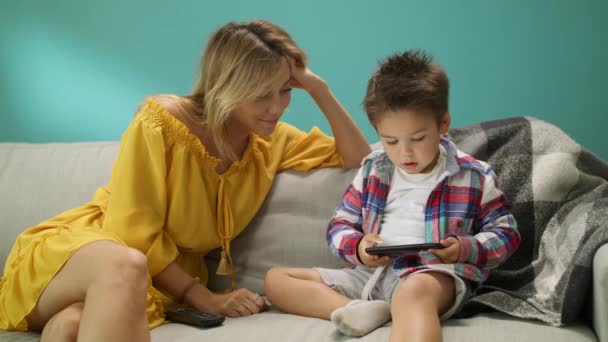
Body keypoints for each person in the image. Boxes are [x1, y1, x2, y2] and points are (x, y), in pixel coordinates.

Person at [0, 20, 371, 342]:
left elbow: (357, 158)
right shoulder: (161, 121)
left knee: (70, 329)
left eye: (285, 90)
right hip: (86, 253)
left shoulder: (272, 141)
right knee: (126, 265)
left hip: (140, 285)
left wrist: (319, 88)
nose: (277, 107)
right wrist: (202, 296)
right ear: (227, 85)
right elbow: (132, 229)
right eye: (261, 94)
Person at [264, 50, 521, 342]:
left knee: (413, 292)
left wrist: (464, 248)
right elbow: (339, 226)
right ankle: (361, 309)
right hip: (371, 275)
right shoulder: (374, 169)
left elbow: (507, 233)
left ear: (443, 124)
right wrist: (359, 247)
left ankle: (397, 309)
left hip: (431, 273)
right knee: (276, 279)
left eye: (418, 138)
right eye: (391, 141)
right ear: (378, 132)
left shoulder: (474, 175)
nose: (405, 152)